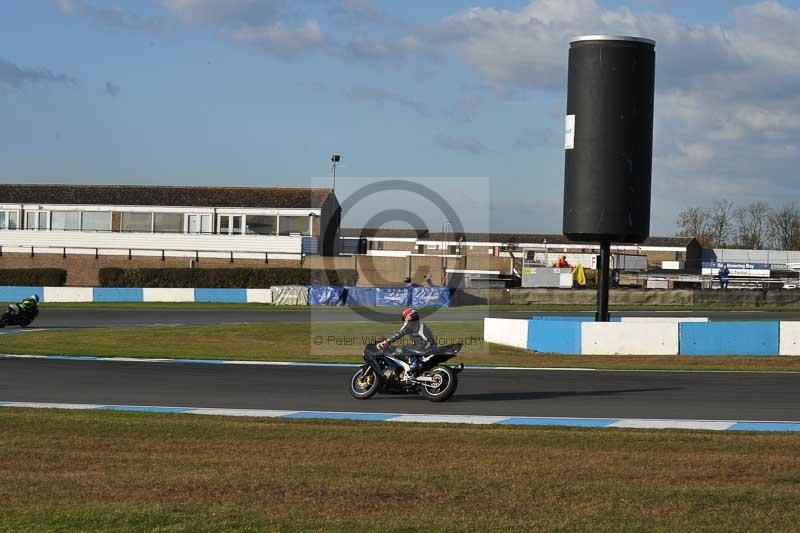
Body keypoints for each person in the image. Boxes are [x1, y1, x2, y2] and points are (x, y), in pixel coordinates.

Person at [377, 308, 436, 375]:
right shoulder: (420, 323)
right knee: (410, 347)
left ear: (408, 316)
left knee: (400, 349)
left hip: (424, 346)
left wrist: (387, 342)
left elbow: (399, 333)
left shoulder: (410, 324)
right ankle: (417, 364)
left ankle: (414, 364)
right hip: (430, 345)